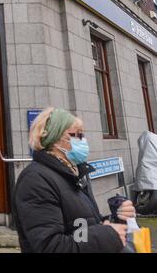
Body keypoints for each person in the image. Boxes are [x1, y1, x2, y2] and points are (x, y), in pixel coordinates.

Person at [12, 107, 136, 253]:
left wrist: (116, 218)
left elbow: (82, 226)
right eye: (75, 135)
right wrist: (108, 234)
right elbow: (51, 246)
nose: (82, 141)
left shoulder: (73, 172)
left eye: (82, 135)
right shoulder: (35, 180)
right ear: (54, 139)